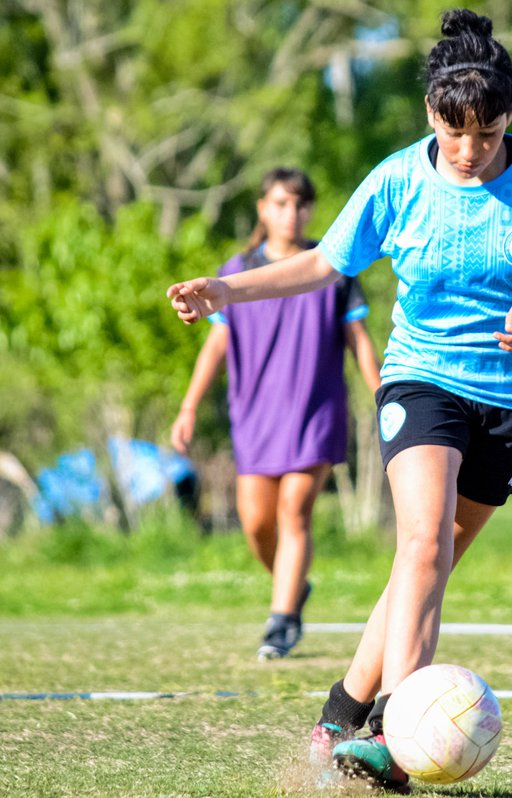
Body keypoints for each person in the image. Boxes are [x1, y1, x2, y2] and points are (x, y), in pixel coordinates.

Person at [168, 9, 512, 790]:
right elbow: (322, 264)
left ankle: (341, 710)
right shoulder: (398, 178)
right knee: (421, 549)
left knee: (429, 566)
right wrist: (224, 291)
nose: (469, 150)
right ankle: (391, 739)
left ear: (509, 115)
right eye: (453, 134)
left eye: (485, 133)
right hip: (422, 380)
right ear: (430, 117)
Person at [170, 167, 381, 662]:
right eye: (282, 203)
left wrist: (385, 397)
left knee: (295, 511)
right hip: (256, 416)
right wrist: (189, 406)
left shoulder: (333, 269)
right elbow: (215, 346)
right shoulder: (238, 269)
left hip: (316, 412)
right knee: (257, 522)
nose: (292, 213)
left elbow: (361, 344)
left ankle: (282, 620)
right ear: (264, 208)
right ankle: (293, 588)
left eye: (301, 204)